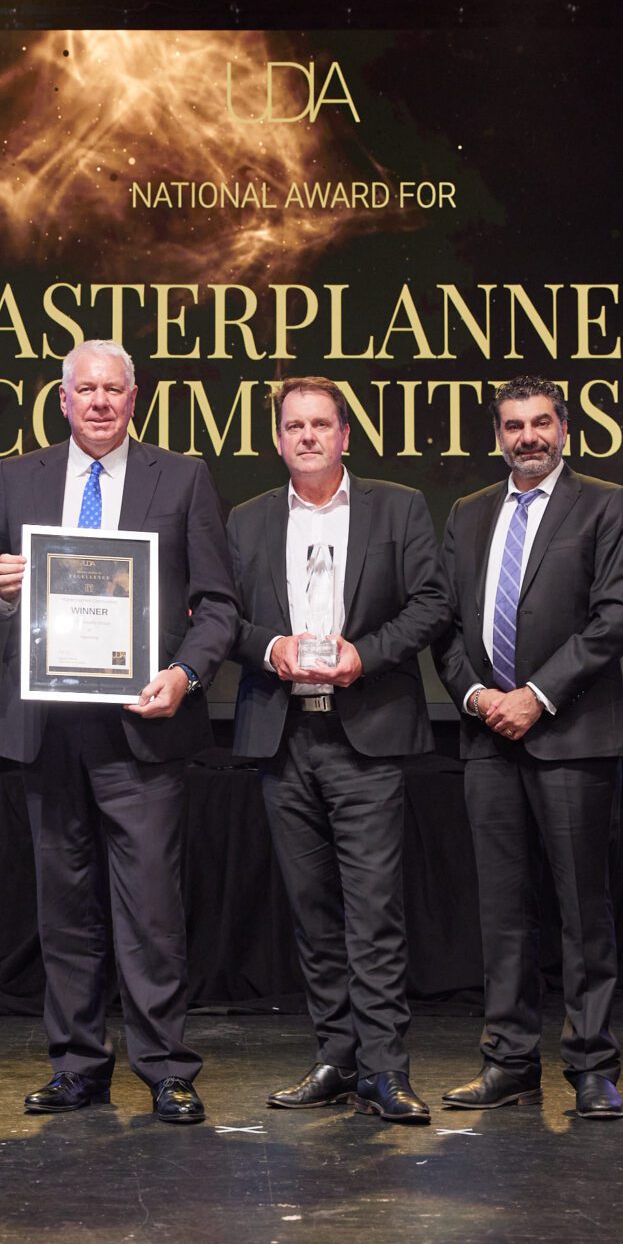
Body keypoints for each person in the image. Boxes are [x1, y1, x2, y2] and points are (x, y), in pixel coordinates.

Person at [0, 338, 239, 1125]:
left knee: (151, 909)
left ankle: (166, 1068)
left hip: (142, 730)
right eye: (85, 389)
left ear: (133, 397)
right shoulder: (20, 475)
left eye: (113, 389)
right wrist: (1, 586)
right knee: (63, 909)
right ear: (63, 400)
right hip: (48, 730)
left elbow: (219, 605)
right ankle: (78, 1065)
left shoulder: (181, 477)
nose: (99, 402)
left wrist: (183, 675)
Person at [226, 376, 450, 1125]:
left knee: (374, 911)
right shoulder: (248, 519)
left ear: (345, 435)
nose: (308, 436)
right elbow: (221, 616)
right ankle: (337, 1057)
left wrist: (366, 654)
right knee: (312, 910)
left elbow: (432, 602)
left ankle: (385, 1069)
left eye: (321, 424)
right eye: (295, 426)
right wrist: (272, 647)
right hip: (284, 735)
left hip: (367, 733)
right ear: (278, 439)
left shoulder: (398, 506)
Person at [433, 375, 623, 1120]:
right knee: (502, 913)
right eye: (514, 425)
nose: (529, 436)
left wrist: (537, 695)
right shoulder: (468, 513)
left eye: (542, 422)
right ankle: (509, 1061)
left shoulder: (606, 504)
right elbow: (444, 624)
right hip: (487, 736)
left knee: (583, 911)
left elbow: (617, 617)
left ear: (565, 429)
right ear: (498, 436)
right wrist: (476, 696)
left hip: (572, 734)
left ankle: (591, 1066)